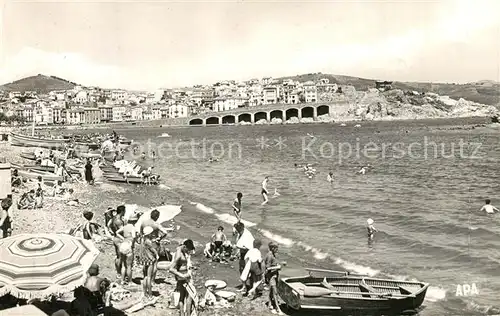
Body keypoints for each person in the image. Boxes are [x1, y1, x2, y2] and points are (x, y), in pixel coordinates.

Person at [169, 239, 196, 316]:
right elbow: (171, 269)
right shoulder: (179, 255)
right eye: (188, 250)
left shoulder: (180, 248)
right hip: (183, 277)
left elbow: (181, 245)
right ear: (184, 247)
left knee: (182, 296)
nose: (188, 252)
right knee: (189, 296)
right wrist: (182, 275)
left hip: (181, 278)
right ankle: (188, 314)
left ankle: (182, 314)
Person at [136, 226, 159, 302]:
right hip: (149, 259)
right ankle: (150, 294)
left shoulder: (142, 239)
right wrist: (157, 255)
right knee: (149, 277)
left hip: (144, 259)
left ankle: (145, 293)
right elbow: (152, 249)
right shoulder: (148, 241)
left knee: (145, 277)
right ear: (149, 233)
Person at [115, 218, 138, 285]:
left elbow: (117, 233)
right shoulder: (133, 228)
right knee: (129, 266)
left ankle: (122, 280)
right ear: (134, 221)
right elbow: (133, 237)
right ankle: (130, 282)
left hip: (123, 245)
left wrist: (123, 238)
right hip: (128, 245)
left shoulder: (125, 227)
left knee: (123, 265)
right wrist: (133, 243)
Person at [234, 221, 254, 291]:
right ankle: (244, 285)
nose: (237, 231)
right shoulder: (241, 233)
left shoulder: (247, 235)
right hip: (243, 254)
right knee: (241, 270)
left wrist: (239, 247)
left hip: (248, 255)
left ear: (242, 228)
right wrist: (238, 252)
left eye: (238, 229)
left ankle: (251, 286)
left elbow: (249, 247)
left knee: (248, 270)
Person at [265, 242, 283, 315]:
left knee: (271, 291)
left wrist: (277, 265)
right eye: (276, 248)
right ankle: (278, 308)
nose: (277, 250)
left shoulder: (273, 255)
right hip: (271, 276)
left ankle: (270, 305)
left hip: (274, 275)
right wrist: (277, 267)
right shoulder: (269, 256)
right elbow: (267, 268)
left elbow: (272, 264)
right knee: (275, 292)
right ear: (272, 248)